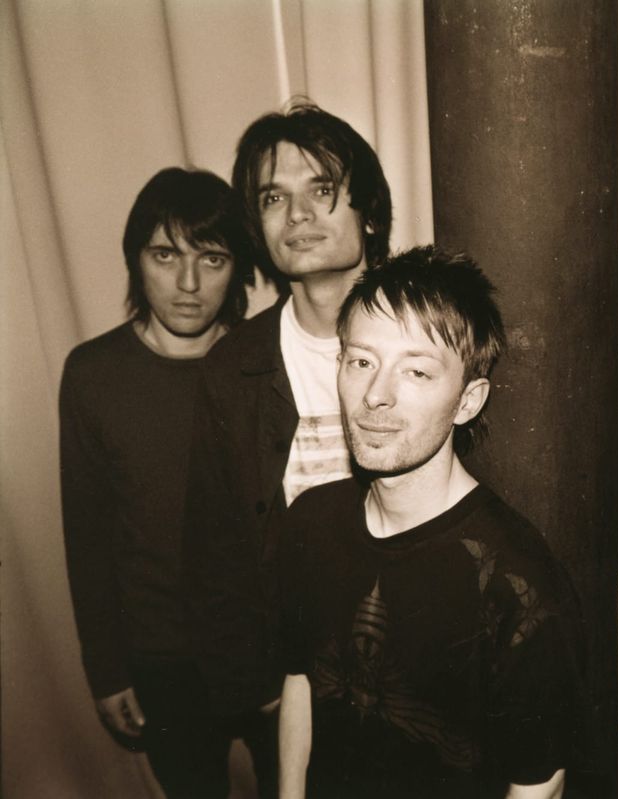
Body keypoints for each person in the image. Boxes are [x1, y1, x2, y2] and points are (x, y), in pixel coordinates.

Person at [277, 246, 579, 798]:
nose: (376, 396)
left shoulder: (519, 584)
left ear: (468, 401)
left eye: (416, 371)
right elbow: (302, 682)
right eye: (361, 361)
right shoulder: (310, 523)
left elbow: (537, 786)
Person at [183, 100, 393, 784]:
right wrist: (261, 690)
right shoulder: (234, 368)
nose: (297, 215)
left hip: (418, 671)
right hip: (293, 678)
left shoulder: (430, 337)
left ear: (369, 212)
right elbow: (214, 548)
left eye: (321, 189)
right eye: (274, 198)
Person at [60, 167, 257, 796]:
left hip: (266, 651)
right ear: (136, 261)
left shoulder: (264, 364)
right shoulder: (93, 375)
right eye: (166, 255)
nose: (189, 283)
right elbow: (87, 534)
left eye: (212, 258)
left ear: (239, 268)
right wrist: (106, 669)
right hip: (161, 660)